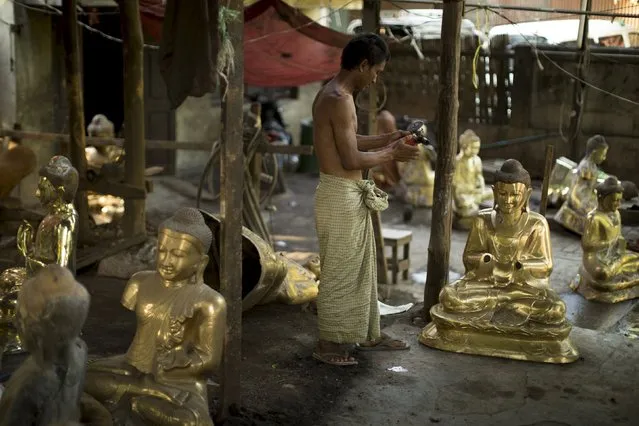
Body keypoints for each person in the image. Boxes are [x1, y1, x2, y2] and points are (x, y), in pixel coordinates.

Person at [311, 33, 420, 366]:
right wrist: (392, 153)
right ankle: (329, 345)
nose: (376, 78)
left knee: (361, 272)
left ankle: (367, 334)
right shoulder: (338, 98)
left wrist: (389, 137)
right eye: (376, 71)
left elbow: (350, 139)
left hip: (345, 196)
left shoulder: (337, 94)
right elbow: (351, 159)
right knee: (340, 275)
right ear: (362, 65)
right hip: (339, 196)